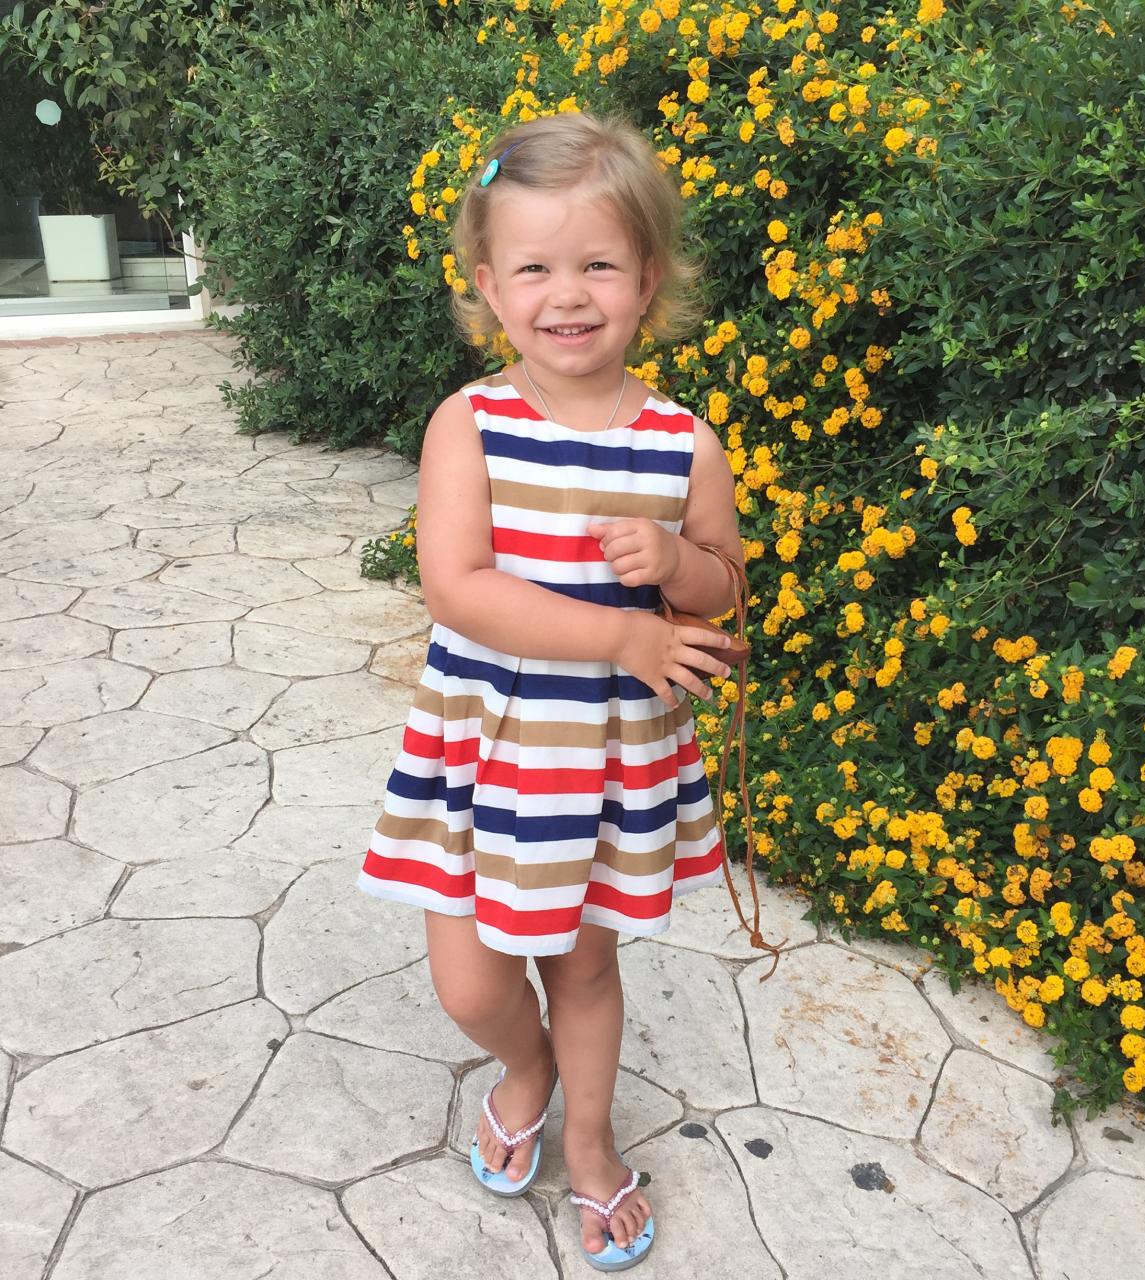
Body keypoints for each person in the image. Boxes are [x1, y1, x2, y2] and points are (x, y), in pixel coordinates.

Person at [356, 110, 744, 1273]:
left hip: (602, 762)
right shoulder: (469, 425)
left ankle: (586, 1134)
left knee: (582, 963)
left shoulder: (684, 443)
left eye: (598, 265)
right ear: (488, 286)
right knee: (470, 978)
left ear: (648, 279)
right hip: (487, 753)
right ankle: (520, 1064)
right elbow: (459, 588)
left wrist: (677, 566)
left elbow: (725, 589)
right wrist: (623, 632)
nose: (566, 294)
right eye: (533, 267)